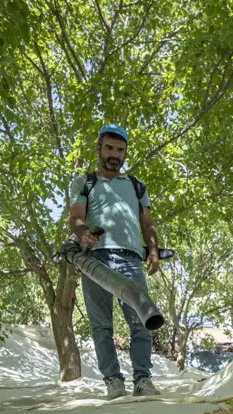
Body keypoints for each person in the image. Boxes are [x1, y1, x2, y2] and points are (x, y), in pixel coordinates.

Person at [68, 123, 161, 399]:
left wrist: (153, 250)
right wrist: (84, 234)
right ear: (99, 148)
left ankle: (143, 380)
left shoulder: (136, 185)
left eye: (120, 150)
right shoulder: (84, 182)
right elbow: (76, 217)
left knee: (142, 320)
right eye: (109, 148)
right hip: (95, 261)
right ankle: (113, 382)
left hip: (131, 259)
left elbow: (147, 223)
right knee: (101, 327)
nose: (115, 154)